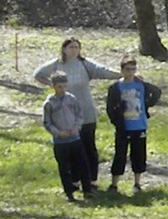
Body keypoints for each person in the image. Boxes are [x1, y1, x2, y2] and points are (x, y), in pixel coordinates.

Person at [34, 37, 121, 189]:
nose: (74, 50)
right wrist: (52, 85)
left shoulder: (85, 64)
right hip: (65, 114)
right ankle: (75, 180)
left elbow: (103, 71)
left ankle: (92, 180)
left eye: (77, 47)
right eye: (71, 47)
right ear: (64, 49)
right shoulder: (56, 65)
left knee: (89, 147)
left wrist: (123, 75)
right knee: (72, 148)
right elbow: (38, 74)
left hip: (86, 111)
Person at [106, 55, 162, 194]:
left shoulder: (140, 85)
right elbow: (110, 107)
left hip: (139, 125)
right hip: (123, 126)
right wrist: (116, 121)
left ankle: (137, 183)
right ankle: (114, 184)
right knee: (120, 154)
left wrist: (147, 105)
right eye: (127, 69)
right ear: (122, 70)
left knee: (138, 155)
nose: (130, 72)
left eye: (133, 69)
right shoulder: (115, 87)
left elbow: (156, 92)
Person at [41, 72, 95, 202]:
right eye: (59, 87)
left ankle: (87, 189)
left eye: (64, 86)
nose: (62, 89)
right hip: (60, 141)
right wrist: (58, 133)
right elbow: (47, 122)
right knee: (64, 167)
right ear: (53, 86)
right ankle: (69, 192)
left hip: (74, 138)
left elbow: (79, 115)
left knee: (82, 164)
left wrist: (77, 127)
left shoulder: (71, 99)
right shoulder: (49, 103)